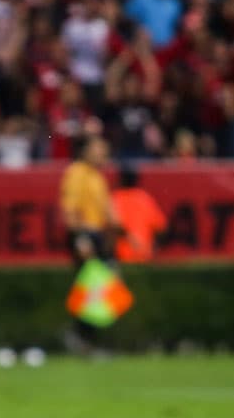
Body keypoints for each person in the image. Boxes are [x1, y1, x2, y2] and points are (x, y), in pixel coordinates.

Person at [59, 134, 119, 353]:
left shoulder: (97, 177)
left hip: (97, 237)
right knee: (92, 291)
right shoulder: (77, 174)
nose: (103, 154)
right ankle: (80, 338)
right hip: (85, 236)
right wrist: (80, 239)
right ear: (85, 151)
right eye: (98, 149)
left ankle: (86, 339)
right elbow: (71, 210)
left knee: (101, 291)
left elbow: (107, 212)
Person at [111, 166, 167, 263]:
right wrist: (153, 248)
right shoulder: (144, 198)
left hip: (120, 257)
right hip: (144, 256)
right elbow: (162, 227)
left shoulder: (114, 198)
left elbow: (113, 225)